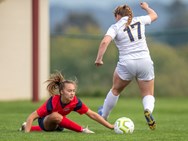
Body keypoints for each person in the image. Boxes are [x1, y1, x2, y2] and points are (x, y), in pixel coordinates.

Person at [95, 2, 158, 130]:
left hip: (127, 63)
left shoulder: (115, 26)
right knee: (148, 93)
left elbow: (104, 42)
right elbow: (154, 15)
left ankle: (104, 116)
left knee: (115, 90)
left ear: (118, 15)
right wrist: (146, 8)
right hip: (144, 61)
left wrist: (99, 59)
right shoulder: (139, 20)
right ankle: (148, 110)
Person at [19, 71, 114, 133]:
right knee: (55, 116)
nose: (72, 93)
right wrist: (26, 135)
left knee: (57, 121)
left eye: (73, 91)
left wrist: (110, 126)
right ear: (61, 92)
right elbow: (32, 117)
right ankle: (83, 130)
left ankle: (25, 127)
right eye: (69, 91)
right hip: (44, 122)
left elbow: (92, 114)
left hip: (59, 124)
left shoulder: (75, 101)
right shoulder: (52, 101)